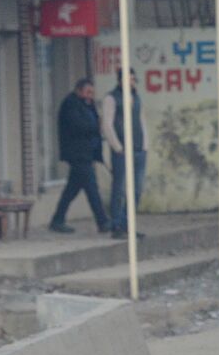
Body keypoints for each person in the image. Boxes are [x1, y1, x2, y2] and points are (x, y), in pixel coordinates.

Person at [48, 78, 110, 234]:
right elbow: (78, 126)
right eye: (87, 92)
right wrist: (97, 125)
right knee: (92, 189)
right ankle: (103, 222)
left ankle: (57, 219)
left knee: (72, 189)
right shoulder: (71, 104)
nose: (90, 96)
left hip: (87, 153)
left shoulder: (87, 104)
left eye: (92, 93)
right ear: (79, 90)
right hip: (78, 154)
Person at [101, 68, 149, 239]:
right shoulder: (111, 98)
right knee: (119, 188)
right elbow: (107, 124)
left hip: (138, 149)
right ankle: (116, 225)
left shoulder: (136, 97)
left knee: (136, 190)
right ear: (121, 80)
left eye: (133, 78)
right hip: (122, 150)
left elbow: (141, 120)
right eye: (129, 79)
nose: (132, 82)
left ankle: (128, 223)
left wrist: (144, 145)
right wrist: (117, 147)